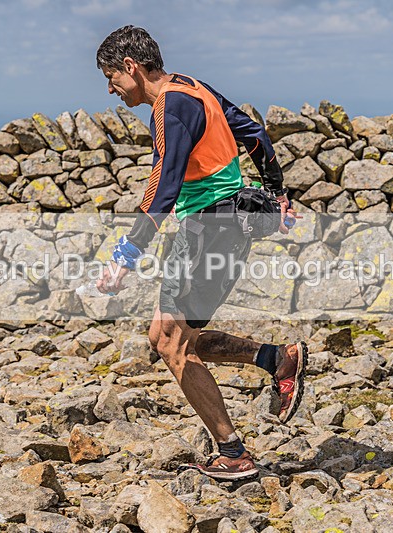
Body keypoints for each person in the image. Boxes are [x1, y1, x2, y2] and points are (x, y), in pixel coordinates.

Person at [95, 25, 307, 481]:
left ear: (131, 67)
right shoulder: (193, 87)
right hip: (222, 224)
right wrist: (277, 193)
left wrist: (125, 253)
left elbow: (163, 184)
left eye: (111, 76)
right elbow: (254, 135)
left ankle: (233, 454)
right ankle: (275, 359)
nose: (111, 89)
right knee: (166, 337)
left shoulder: (169, 107)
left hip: (208, 227)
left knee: (171, 342)